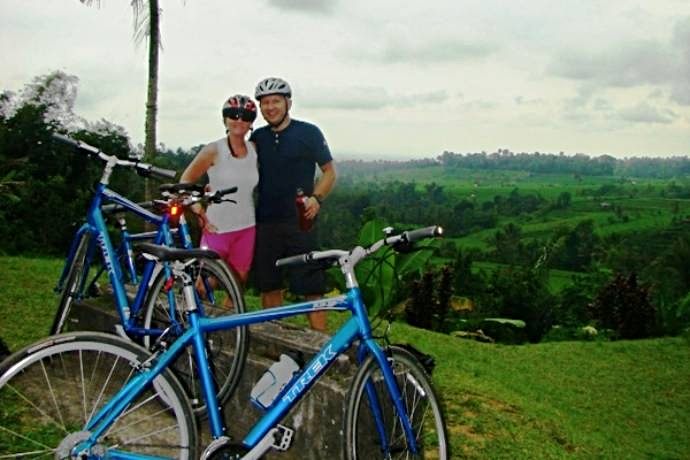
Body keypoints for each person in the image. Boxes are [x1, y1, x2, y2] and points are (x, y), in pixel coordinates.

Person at [251, 77, 336, 332]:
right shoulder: (258, 137)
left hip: (301, 221)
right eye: (265, 103)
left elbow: (329, 172)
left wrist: (317, 198)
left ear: (288, 103)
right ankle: (273, 339)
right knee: (269, 285)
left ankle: (322, 346)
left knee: (311, 286)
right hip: (266, 220)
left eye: (275, 101)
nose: (270, 107)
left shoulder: (308, 133)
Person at [179, 94, 258, 284]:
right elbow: (184, 184)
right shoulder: (213, 150)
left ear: (251, 123)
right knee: (204, 285)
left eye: (245, 117)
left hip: (247, 228)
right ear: (225, 119)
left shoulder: (255, 149)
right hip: (217, 229)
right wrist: (199, 211)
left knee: (238, 284)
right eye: (233, 115)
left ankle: (228, 315)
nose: (239, 120)